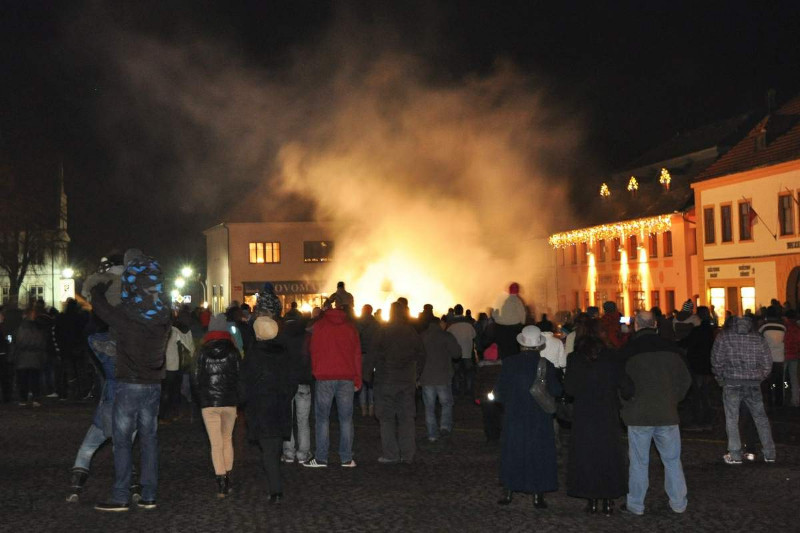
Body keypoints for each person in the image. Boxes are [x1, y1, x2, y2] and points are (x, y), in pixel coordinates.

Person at [92, 250, 172, 512]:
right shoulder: (164, 314)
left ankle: (121, 495)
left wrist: (98, 289)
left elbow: (101, 309)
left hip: (129, 383)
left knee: (123, 441)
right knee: (149, 439)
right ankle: (149, 494)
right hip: (154, 384)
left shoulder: (127, 314)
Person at [619, 311, 691, 516]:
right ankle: (678, 503)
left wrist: (626, 404)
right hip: (667, 413)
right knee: (672, 460)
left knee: (639, 462)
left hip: (638, 414)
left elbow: (620, 383)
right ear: (656, 325)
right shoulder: (671, 349)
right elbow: (685, 380)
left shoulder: (628, 351)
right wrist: (673, 399)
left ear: (636, 326)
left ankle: (636, 504)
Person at [564, 318, 631, 515]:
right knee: (608, 454)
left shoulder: (575, 358)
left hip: (584, 413)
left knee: (587, 455)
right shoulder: (612, 356)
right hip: (607, 412)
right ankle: (608, 499)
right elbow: (626, 386)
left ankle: (591, 499)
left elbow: (570, 388)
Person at [495, 326, 561, 509]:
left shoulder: (509, 363)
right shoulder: (546, 365)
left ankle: (509, 490)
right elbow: (556, 390)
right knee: (539, 453)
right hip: (539, 416)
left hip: (515, 415)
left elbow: (499, 392)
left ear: (521, 344)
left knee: (513, 452)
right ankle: (538, 494)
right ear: (539, 345)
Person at [240, 316, 301, 504]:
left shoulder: (254, 355)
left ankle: (276, 490)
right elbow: (293, 381)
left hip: (261, 408)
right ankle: (276, 485)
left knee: (268, 450)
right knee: (273, 448)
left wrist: (245, 401)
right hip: (279, 407)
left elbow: (244, 384)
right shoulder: (285, 354)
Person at [304, 296, 362, 468]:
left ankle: (321, 457)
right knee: (346, 419)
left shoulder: (319, 327)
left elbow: (313, 351)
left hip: (324, 377)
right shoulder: (350, 328)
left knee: (322, 418)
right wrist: (357, 379)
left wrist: (316, 371)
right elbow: (356, 355)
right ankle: (346, 458)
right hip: (346, 377)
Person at [366, 301, 425, 463]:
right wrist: (417, 374)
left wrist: (367, 375)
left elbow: (372, 354)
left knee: (386, 418)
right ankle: (408, 454)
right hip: (406, 381)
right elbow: (422, 354)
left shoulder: (383, 331)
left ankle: (390, 454)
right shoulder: (411, 331)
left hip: (385, 380)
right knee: (407, 418)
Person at [711, 316, 775, 464]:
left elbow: (716, 360)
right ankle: (770, 453)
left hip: (731, 382)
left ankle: (735, 454)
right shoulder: (758, 338)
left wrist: (720, 378)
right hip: (753, 383)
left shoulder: (724, 337)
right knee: (761, 418)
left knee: (732, 419)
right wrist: (759, 377)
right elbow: (767, 363)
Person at [193, 313, 241, 498]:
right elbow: (240, 378)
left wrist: (201, 398)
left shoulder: (202, 352)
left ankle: (221, 481)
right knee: (227, 439)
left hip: (209, 403)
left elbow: (195, 378)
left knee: (215, 443)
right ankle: (227, 475)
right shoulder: (233, 351)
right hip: (229, 402)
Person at [419, 317, 461, 443]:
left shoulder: (421, 336)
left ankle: (432, 434)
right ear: (440, 324)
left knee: (429, 407)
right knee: (446, 403)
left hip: (426, 377)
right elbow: (457, 353)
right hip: (443, 376)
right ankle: (445, 427)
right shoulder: (446, 336)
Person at [280, 312, 313, 464]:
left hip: (286, 382)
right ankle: (303, 454)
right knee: (303, 421)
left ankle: (288, 453)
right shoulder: (307, 337)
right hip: (303, 381)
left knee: (287, 419)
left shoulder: (281, 337)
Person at [680, 306, 716, 430]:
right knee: (705, 394)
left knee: (698, 394)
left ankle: (699, 420)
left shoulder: (698, 331)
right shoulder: (710, 330)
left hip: (697, 365)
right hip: (707, 365)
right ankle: (707, 420)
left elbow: (687, 342)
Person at [11, 307, 48, 407]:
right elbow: (42, 342)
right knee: (35, 379)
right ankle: (36, 398)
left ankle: (23, 399)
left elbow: (17, 341)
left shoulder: (20, 327)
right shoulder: (38, 328)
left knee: (23, 380)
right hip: (35, 357)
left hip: (22, 357)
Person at [160, 315, 194, 423]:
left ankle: (162, 414)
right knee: (173, 391)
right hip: (174, 366)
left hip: (162, 365)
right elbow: (189, 346)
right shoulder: (175, 331)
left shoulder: (160, 329)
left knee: (165, 390)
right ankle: (170, 413)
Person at [758, 307, 786, 408]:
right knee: (779, 382)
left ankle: (768, 402)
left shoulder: (764, 327)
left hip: (767, 358)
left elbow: (759, 339)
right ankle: (779, 403)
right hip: (780, 357)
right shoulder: (782, 327)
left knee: (767, 382)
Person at [448, 304, 476, 396]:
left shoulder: (451, 325)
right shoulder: (469, 324)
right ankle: (468, 389)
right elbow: (474, 335)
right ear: (462, 311)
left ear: (455, 311)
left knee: (456, 372)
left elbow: (447, 337)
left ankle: (457, 389)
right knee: (468, 372)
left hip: (455, 353)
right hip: (467, 353)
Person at [357, 304, 380, 417]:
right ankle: (371, 407)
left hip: (360, 355)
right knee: (371, 382)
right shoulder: (376, 324)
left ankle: (363, 408)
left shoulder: (358, 323)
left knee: (361, 382)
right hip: (372, 356)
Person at [784, 310, 800, 407]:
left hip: (785, 354)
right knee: (794, 378)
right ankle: (795, 400)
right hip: (795, 355)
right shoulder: (797, 328)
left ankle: (782, 398)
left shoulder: (784, 327)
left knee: (782, 378)